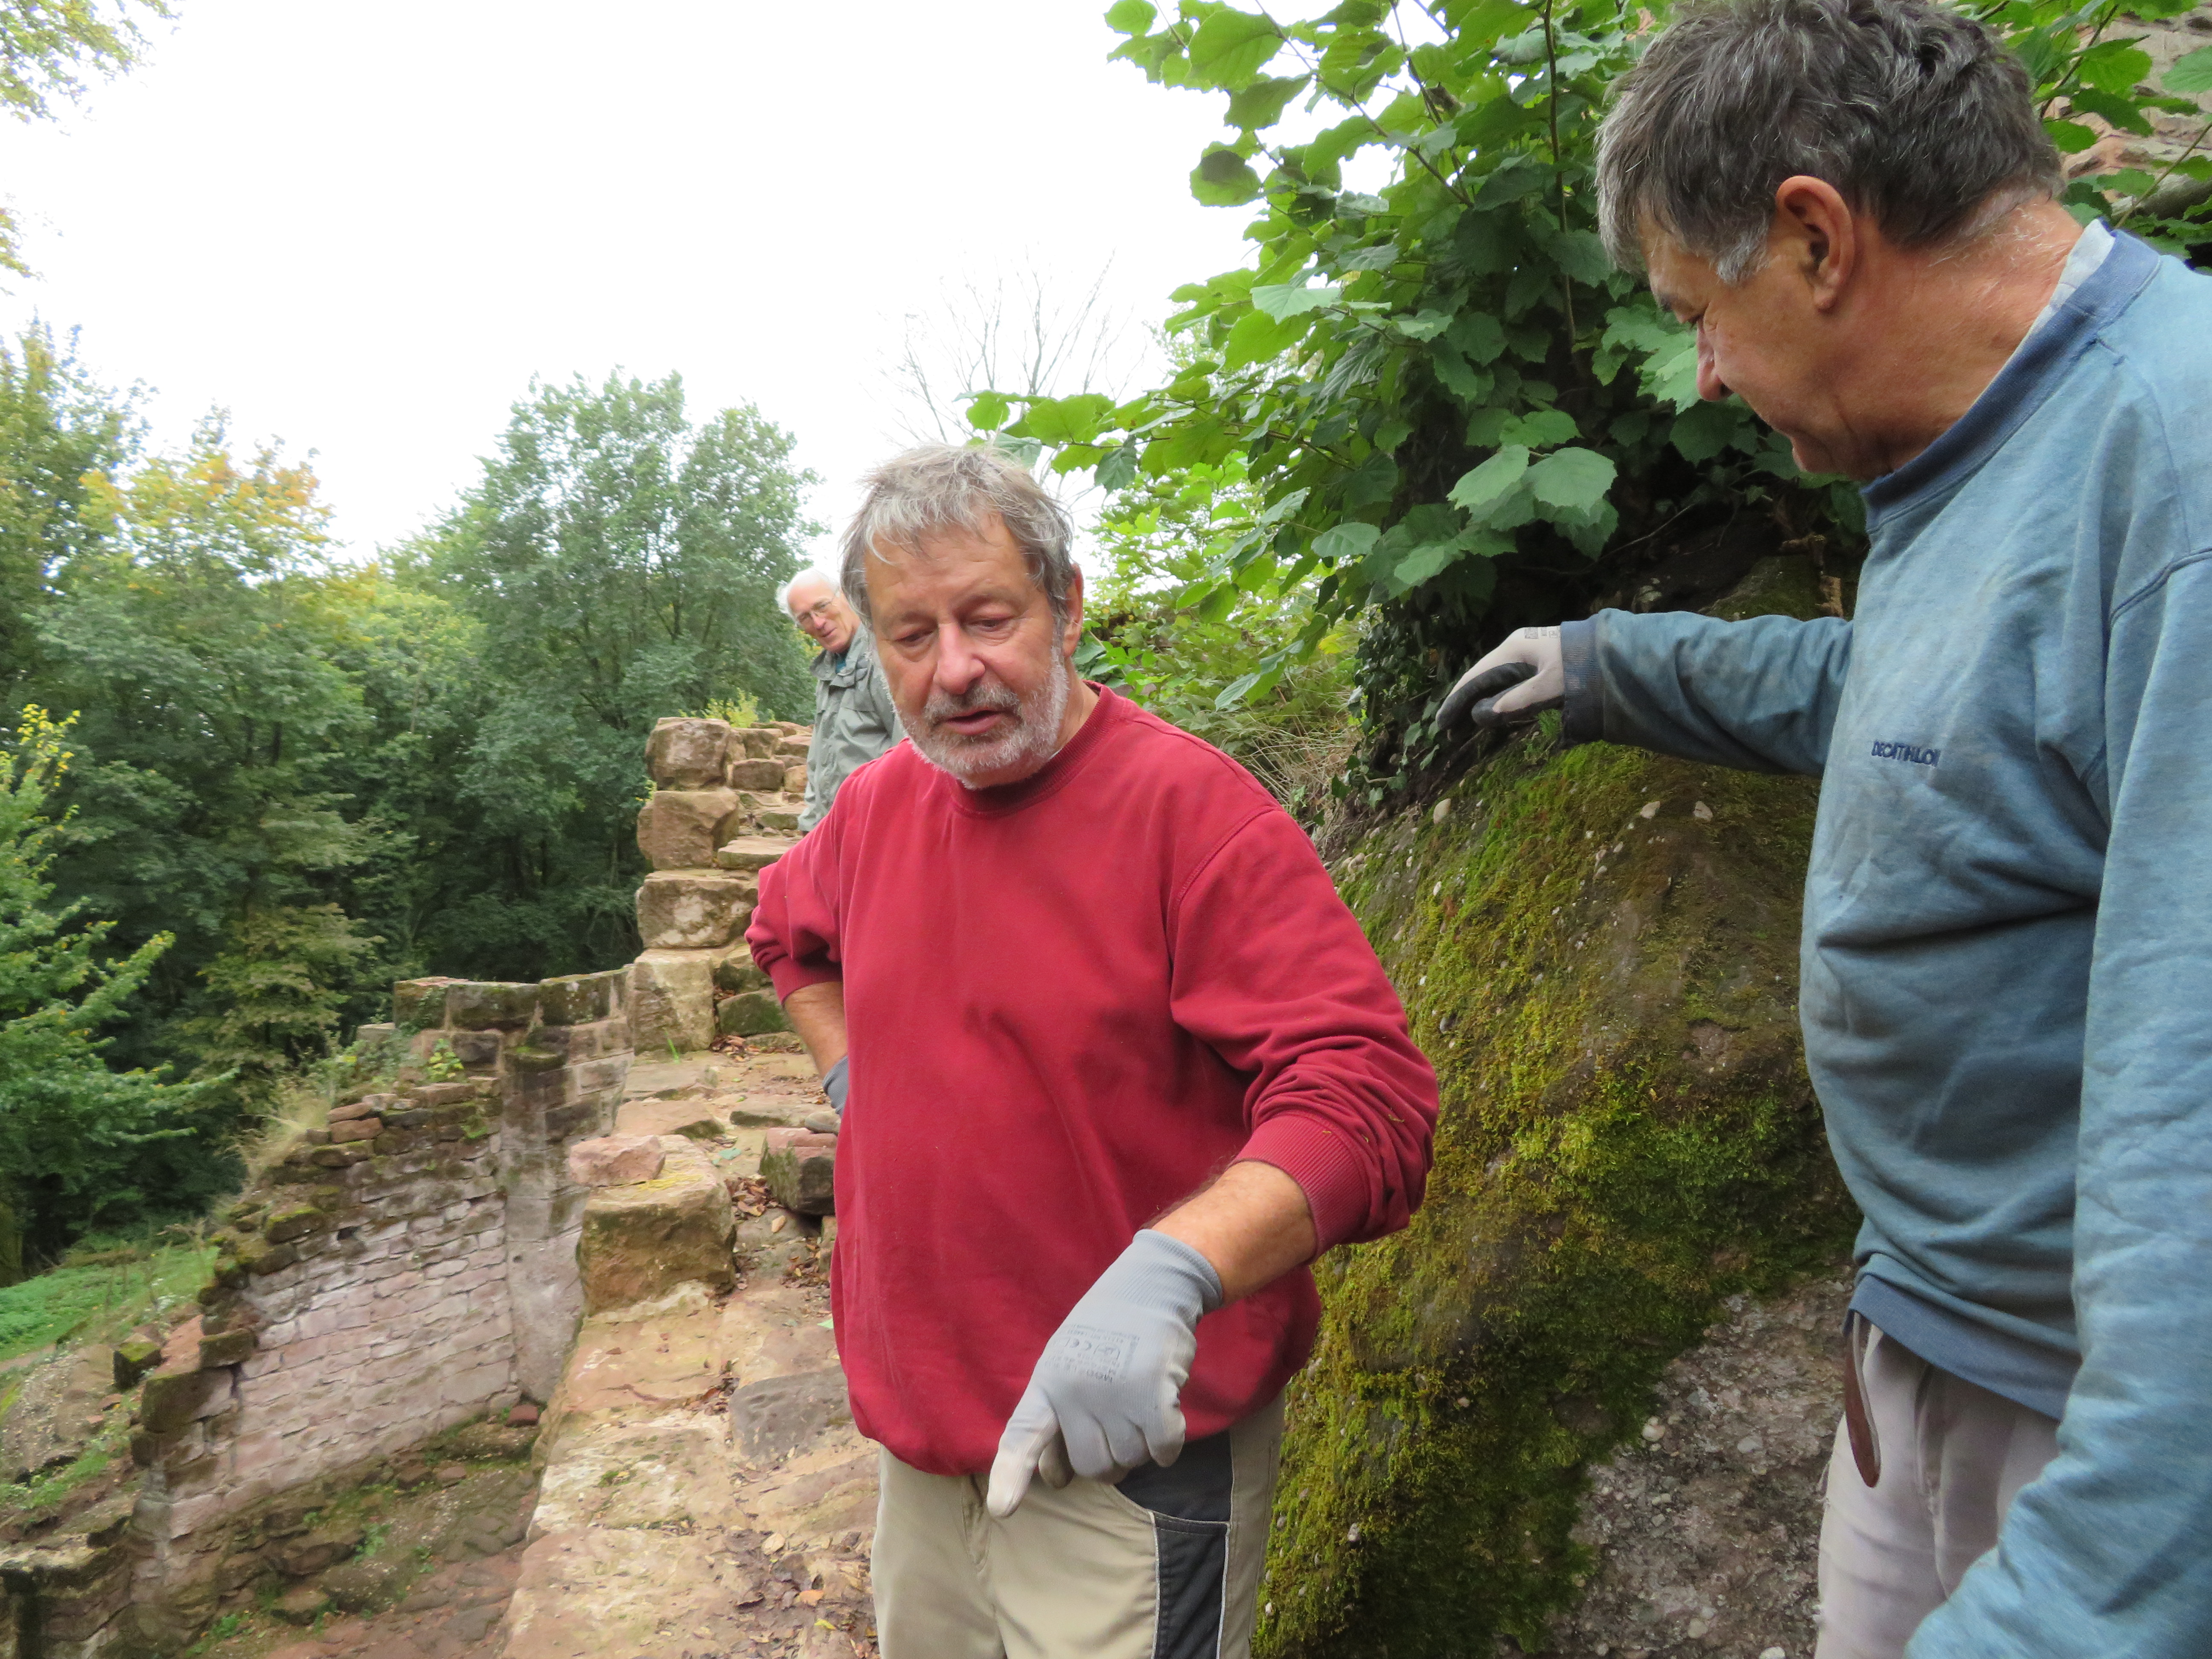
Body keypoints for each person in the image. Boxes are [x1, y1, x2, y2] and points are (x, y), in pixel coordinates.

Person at [1438, 2, 2212, 1653]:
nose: (1705, 374)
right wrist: (1614, 665)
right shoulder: (1985, 446)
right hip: (1925, 1340)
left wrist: (2085, 1597)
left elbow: (2195, 1119)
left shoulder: (2174, 467)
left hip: (2088, 1440)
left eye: (1697, 314)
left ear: (1813, 237)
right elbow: (1933, 704)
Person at [747, 445, 1438, 1659]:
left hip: (1126, 1467)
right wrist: (853, 1076)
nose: (954, 669)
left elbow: (1368, 1099)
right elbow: (784, 937)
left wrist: (1177, 1269)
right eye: (911, 635)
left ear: (1065, 607)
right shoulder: (873, 809)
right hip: (919, 1453)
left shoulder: (1194, 814)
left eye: (988, 618)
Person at [777, 567, 900, 832]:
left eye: (822, 606)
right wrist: (811, 825)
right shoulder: (828, 669)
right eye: (805, 618)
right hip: (834, 832)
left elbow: (910, 756)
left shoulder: (884, 658)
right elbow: (819, 760)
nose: (818, 623)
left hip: (877, 830)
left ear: (846, 595)